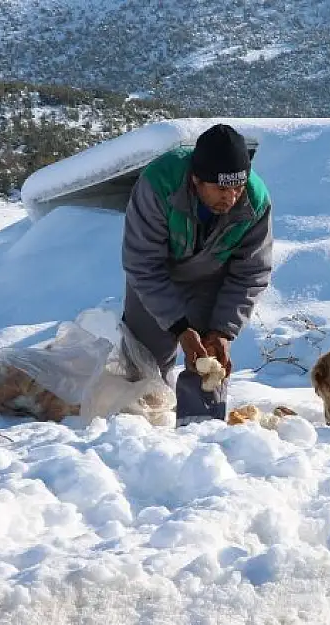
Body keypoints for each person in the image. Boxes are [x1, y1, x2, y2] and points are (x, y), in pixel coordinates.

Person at [120, 123, 273, 426]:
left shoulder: (255, 203)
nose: (230, 198)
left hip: (211, 277)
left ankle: (201, 434)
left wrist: (224, 331)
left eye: (237, 188)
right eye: (220, 189)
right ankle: (138, 436)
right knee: (143, 363)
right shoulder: (159, 185)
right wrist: (179, 327)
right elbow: (142, 264)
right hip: (156, 276)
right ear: (195, 179)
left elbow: (251, 273)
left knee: (209, 362)